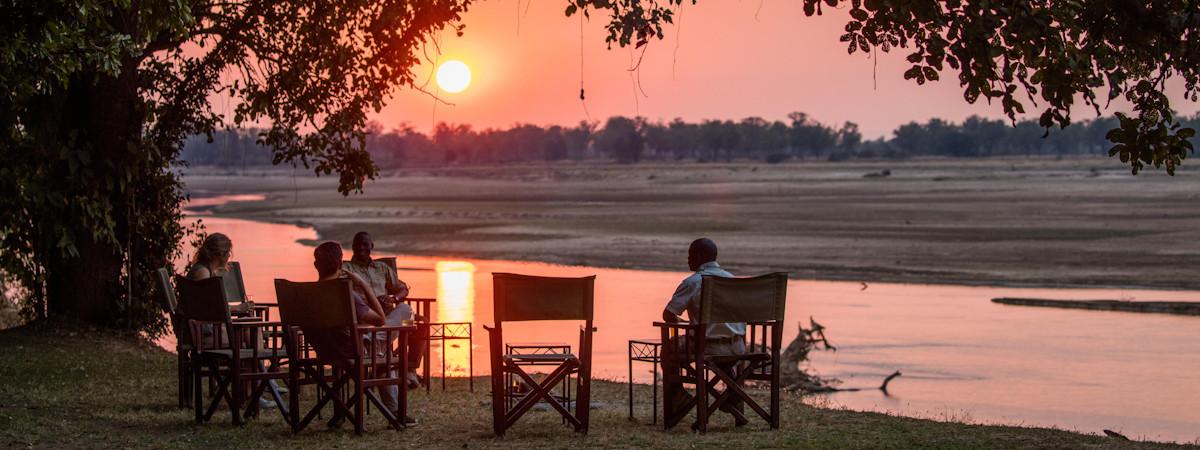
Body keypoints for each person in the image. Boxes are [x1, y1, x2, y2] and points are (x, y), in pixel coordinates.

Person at [311, 241, 415, 426]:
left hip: (325, 350)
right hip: (358, 349)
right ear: (340, 264)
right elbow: (381, 320)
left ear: (316, 265)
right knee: (405, 312)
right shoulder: (347, 294)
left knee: (383, 347)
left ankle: (342, 413)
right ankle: (395, 413)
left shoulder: (307, 293)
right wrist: (363, 285)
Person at [661, 238, 748, 427]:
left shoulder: (693, 282)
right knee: (721, 353)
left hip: (706, 348)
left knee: (668, 348)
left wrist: (680, 322)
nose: (688, 260)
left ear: (699, 256)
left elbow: (668, 314)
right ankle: (733, 394)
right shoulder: (732, 280)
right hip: (737, 348)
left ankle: (679, 396)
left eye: (690, 255)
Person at [341, 231, 426, 389]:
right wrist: (370, 301)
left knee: (414, 318)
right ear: (352, 247)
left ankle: (404, 364)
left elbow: (402, 288)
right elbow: (342, 294)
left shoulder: (382, 268)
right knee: (404, 327)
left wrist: (393, 299)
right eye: (357, 245)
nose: (361, 248)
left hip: (392, 320)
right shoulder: (347, 269)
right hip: (365, 321)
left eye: (365, 244)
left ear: (371, 246)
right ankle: (387, 357)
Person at [187, 233, 252, 315]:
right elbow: (207, 307)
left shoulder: (207, 270)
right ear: (220, 254)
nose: (229, 255)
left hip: (203, 324)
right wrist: (236, 308)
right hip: (200, 326)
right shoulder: (202, 272)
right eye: (228, 252)